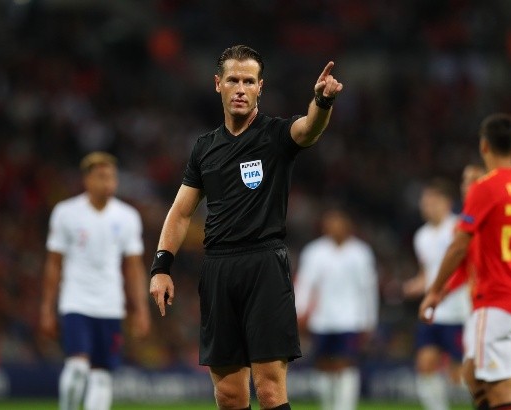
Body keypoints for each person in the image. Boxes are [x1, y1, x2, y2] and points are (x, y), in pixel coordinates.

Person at [148, 45, 343, 410]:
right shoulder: (204, 148)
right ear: (218, 84)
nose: (241, 87)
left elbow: (309, 128)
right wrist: (161, 267)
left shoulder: (275, 135)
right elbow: (180, 212)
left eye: (249, 81)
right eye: (233, 80)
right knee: (229, 396)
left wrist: (322, 102)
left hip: (265, 265)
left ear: (260, 88)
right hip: (219, 269)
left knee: (269, 390)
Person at [419, 113, 511, 410]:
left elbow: (459, 246)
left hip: (495, 301)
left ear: (484, 146)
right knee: (473, 376)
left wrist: (434, 291)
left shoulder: (486, 188)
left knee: (498, 393)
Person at [40, 151, 150, 410]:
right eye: (101, 177)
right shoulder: (66, 213)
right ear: (87, 180)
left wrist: (141, 309)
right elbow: (54, 264)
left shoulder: (127, 217)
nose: (108, 183)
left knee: (101, 376)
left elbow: (134, 268)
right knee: (77, 366)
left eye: (112, 177)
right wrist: (47, 308)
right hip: (76, 301)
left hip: (110, 305)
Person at [294, 208, 378, 410]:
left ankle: (345, 407)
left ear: (348, 225)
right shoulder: (314, 252)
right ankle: (328, 405)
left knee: (347, 364)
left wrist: (370, 320)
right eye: (330, 222)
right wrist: (297, 313)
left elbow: (368, 289)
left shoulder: (361, 252)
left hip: (351, 319)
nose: (334, 227)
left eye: (338, 222)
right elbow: (304, 285)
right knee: (323, 365)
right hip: (322, 319)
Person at [402, 178, 470, 410]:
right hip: (433, 311)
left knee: (460, 376)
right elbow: (427, 274)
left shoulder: (460, 228)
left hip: (460, 312)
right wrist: (414, 285)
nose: (427, 206)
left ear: (447, 203)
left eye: (432, 201)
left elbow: (469, 268)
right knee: (425, 365)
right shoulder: (421, 236)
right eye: (425, 202)